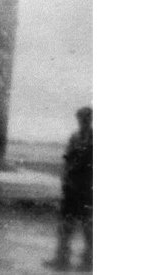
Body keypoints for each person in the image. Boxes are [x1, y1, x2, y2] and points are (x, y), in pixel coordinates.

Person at [44, 107, 93, 271]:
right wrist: (64, 177)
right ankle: (62, 258)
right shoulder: (75, 137)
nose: (83, 121)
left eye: (86, 118)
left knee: (88, 225)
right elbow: (67, 158)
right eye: (81, 118)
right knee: (66, 224)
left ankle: (89, 259)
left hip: (87, 187)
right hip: (72, 186)